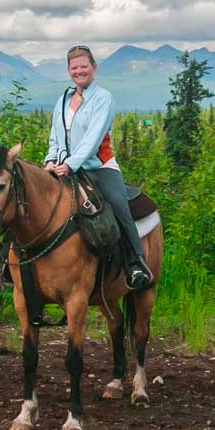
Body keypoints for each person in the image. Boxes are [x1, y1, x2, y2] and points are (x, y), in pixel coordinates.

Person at [45, 44, 152, 290]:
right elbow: (55, 135)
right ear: (68, 70)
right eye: (74, 67)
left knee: (117, 202)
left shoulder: (103, 99)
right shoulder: (63, 100)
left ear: (94, 67)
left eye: (84, 66)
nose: (79, 71)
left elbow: (93, 139)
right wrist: (51, 160)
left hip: (99, 167)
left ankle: (136, 262)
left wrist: (70, 164)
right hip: (63, 167)